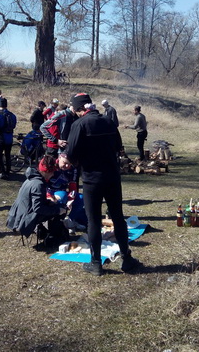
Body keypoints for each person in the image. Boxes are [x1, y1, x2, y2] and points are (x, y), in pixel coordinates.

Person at [59, 93, 140, 276]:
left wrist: (67, 159)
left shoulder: (79, 124)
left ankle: (96, 263)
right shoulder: (108, 121)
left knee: (94, 220)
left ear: (79, 109)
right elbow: (118, 146)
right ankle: (126, 259)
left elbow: (71, 154)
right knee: (118, 217)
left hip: (91, 180)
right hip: (112, 177)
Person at [6, 156, 67, 238]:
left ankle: (47, 233)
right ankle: (52, 237)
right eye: (52, 172)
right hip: (24, 220)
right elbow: (38, 208)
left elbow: (34, 202)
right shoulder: (38, 184)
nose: (53, 175)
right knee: (60, 209)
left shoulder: (31, 178)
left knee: (56, 207)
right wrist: (58, 210)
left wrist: (49, 202)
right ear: (47, 172)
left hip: (17, 216)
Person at [0, 98, 17, 179]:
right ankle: (8, 171)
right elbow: (14, 125)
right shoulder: (12, 115)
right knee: (7, 155)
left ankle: (2, 172)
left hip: (1, 137)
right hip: (10, 137)